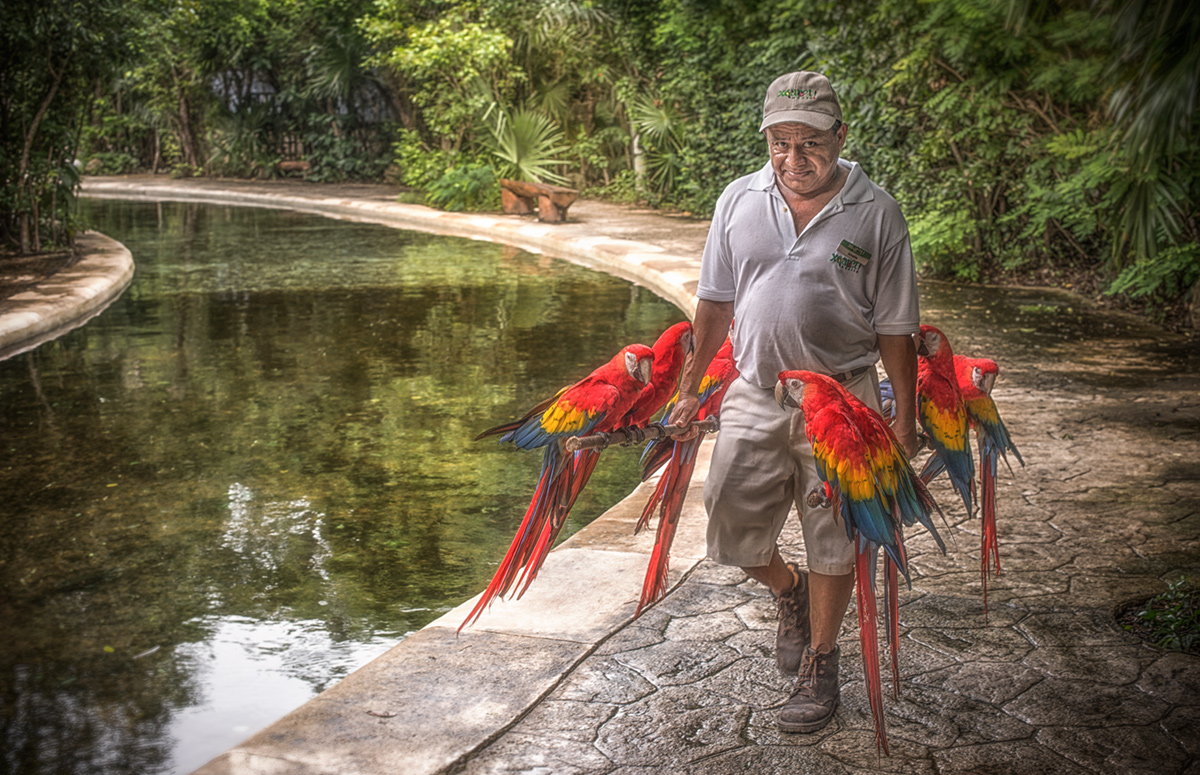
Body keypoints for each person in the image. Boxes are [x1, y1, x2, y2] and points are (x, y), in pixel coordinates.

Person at [668, 70, 920, 734]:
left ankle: (823, 659)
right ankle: (791, 593)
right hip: (754, 390)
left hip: (843, 400)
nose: (793, 158)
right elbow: (716, 303)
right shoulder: (738, 199)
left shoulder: (876, 212)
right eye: (780, 142)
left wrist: (905, 417)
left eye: (809, 142)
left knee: (835, 536)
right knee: (728, 522)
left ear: (840, 136)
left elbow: (897, 326)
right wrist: (691, 386)